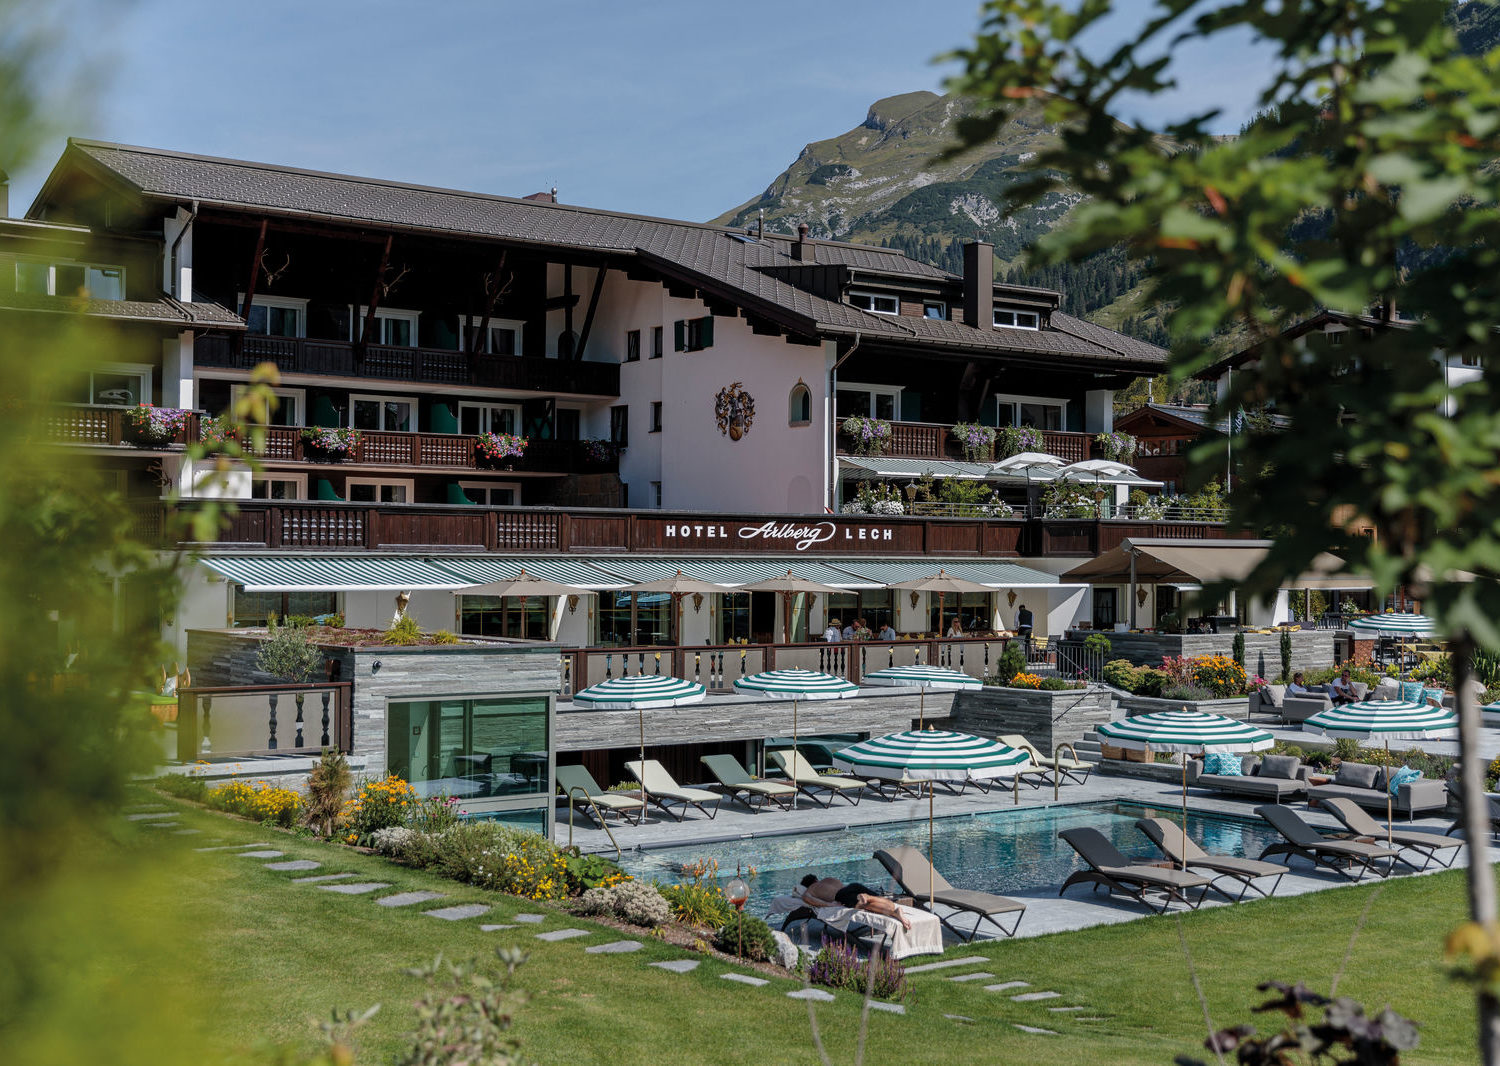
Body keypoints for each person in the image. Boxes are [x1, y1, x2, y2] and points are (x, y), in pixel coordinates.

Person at [799, 874, 912, 931]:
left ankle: (866, 898)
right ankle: (894, 910)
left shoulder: (811, 888)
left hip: (842, 895)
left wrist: (830, 904)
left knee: (865, 905)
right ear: (816, 879)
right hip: (853, 886)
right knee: (880, 899)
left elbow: (807, 898)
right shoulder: (828, 879)